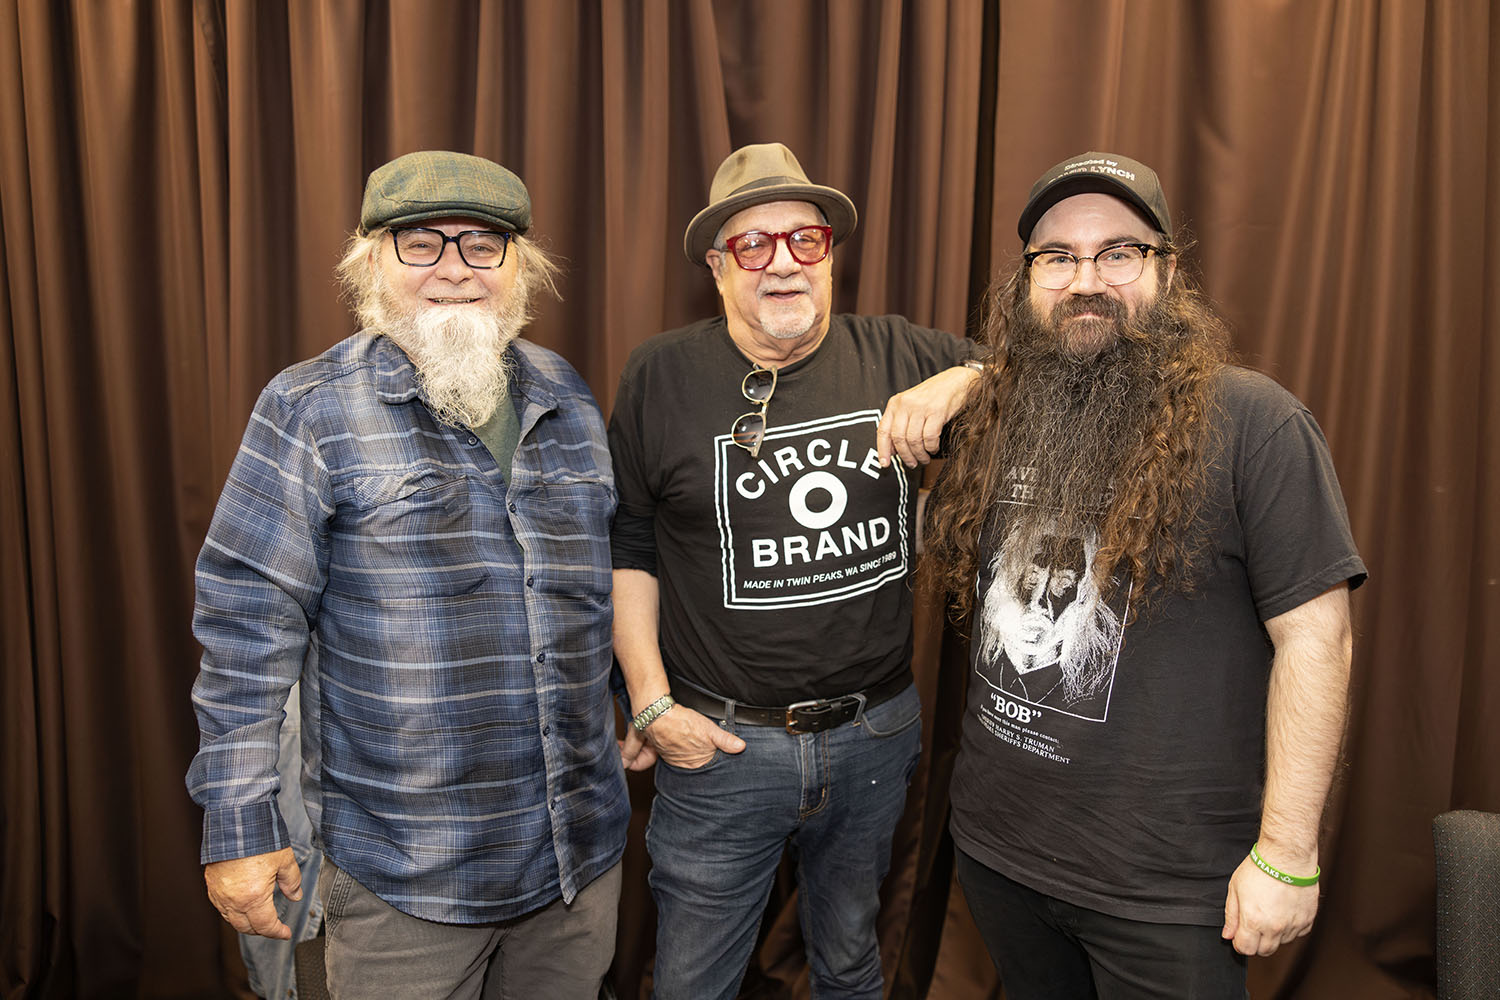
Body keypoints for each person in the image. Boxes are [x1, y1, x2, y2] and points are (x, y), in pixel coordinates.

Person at [186, 150, 628, 1000]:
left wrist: (629, 694)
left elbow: (588, 584)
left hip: (577, 856)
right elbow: (245, 627)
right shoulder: (308, 407)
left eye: (483, 244)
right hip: (407, 875)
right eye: (419, 243)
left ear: (521, 266)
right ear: (371, 264)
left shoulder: (566, 393)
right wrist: (239, 827)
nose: (454, 269)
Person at [925, 151, 1368, 998]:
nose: (1086, 280)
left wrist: (1287, 853)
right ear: (1026, 281)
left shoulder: (1257, 425)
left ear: (1167, 271)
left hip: (1167, 891)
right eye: (1058, 257)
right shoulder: (999, 413)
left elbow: (1318, 640)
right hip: (999, 854)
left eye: (1118, 253)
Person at [607, 142, 980, 1000]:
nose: (783, 262)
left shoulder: (897, 352)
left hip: (874, 736)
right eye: (753, 244)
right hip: (722, 749)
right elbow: (630, 546)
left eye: (805, 240)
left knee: (849, 962)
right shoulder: (661, 374)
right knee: (693, 982)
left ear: (830, 256)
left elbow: (1032, 377)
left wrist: (962, 380)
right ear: (717, 267)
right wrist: (651, 703)